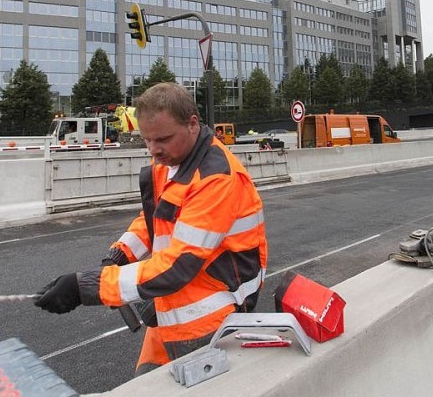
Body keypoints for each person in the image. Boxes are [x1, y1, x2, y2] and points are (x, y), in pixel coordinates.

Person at [34, 82, 268, 374]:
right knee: (144, 380)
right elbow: (156, 218)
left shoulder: (215, 179)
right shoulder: (171, 159)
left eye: (163, 139)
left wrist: (88, 287)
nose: (154, 150)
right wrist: (119, 255)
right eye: (147, 140)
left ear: (193, 124)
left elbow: (176, 267)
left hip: (206, 318)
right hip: (172, 304)